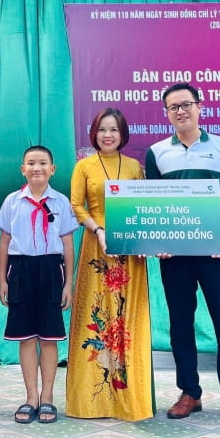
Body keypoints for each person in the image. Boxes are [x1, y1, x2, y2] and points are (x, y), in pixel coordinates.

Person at [145, 82, 220, 428]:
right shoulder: (157, 152)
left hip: (216, 250)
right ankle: (189, 392)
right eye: (173, 107)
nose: (181, 111)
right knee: (180, 325)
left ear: (199, 106)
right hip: (175, 254)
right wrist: (160, 239)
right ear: (166, 113)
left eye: (186, 104)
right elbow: (155, 203)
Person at [66, 108, 154, 421]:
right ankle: (93, 399)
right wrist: (100, 232)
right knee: (98, 313)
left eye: (114, 129)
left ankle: (130, 397)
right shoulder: (84, 166)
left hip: (129, 250)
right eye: (103, 129)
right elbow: (77, 206)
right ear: (94, 133)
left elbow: (142, 207)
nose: (108, 135)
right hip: (96, 246)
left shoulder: (134, 167)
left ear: (122, 133)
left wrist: (141, 241)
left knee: (126, 316)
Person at [0, 145, 77, 424]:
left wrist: (67, 284)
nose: (37, 168)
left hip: (51, 269)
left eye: (42, 163)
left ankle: (48, 397)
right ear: (23, 169)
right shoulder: (12, 201)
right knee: (27, 337)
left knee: (49, 337)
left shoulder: (61, 202)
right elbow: (4, 242)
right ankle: (31, 397)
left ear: (52, 169)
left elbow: (68, 244)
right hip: (20, 270)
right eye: (31, 163)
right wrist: (2, 279)